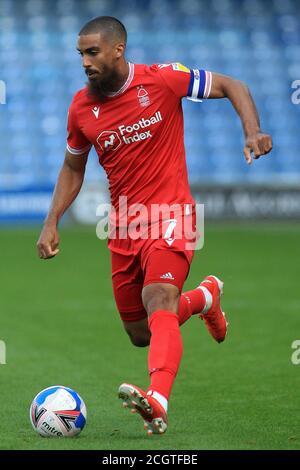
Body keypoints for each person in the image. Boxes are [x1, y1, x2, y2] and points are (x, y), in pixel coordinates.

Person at [37, 16, 272, 435]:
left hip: (173, 216)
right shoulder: (80, 108)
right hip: (124, 228)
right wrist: (52, 220)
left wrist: (252, 132)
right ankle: (204, 298)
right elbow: (73, 167)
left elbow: (234, 85)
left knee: (159, 296)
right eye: (81, 54)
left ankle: (158, 399)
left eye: (92, 52)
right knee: (141, 333)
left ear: (117, 50)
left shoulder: (164, 79)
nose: (85, 62)